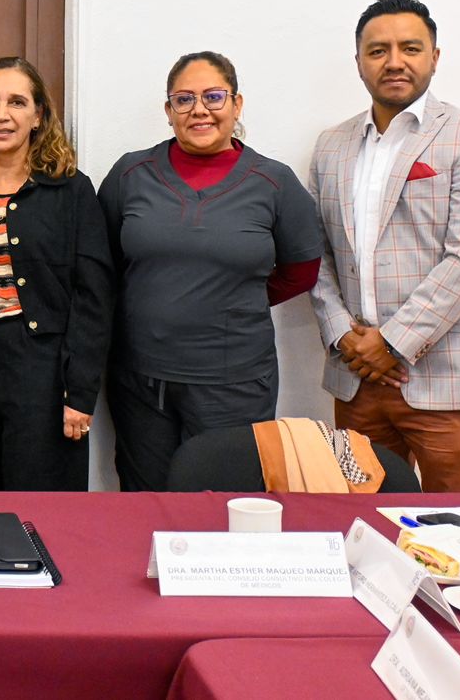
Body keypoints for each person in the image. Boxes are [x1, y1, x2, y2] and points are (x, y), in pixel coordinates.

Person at [309, 0, 460, 492]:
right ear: (358, 62)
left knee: (457, 530)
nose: (394, 61)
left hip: (447, 377)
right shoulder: (331, 144)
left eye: (410, 48)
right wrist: (342, 334)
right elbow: (315, 253)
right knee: (358, 524)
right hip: (356, 377)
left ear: (435, 57)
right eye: (378, 50)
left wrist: (394, 343)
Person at [98, 51, 324, 491]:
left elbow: (302, 270)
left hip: (234, 384)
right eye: (184, 99)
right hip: (141, 381)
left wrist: (232, 300)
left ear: (236, 105)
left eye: (213, 96)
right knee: (144, 501)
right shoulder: (131, 174)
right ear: (168, 112)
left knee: (224, 505)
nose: (199, 109)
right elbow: (104, 265)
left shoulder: (273, 183)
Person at [0, 57, 114, 491]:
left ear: (38, 116)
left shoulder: (70, 190)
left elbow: (95, 298)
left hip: (42, 367)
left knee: (41, 498)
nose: (1, 115)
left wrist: (80, 393)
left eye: (17, 102)